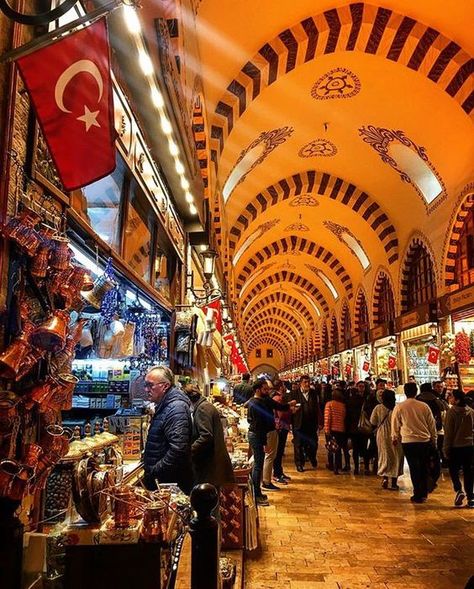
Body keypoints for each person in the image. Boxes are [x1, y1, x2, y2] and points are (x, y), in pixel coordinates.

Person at [143, 366, 193, 494]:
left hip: (169, 482)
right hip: (165, 480)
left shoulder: (176, 408)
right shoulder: (167, 406)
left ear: (165, 386)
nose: (146, 389)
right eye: (145, 385)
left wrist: (154, 471)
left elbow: (178, 449)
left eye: (150, 385)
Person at [246, 379, 296, 505]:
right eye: (265, 389)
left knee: (259, 463)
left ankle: (257, 492)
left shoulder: (264, 399)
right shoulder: (255, 403)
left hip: (261, 434)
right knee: (258, 465)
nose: (268, 391)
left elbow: (277, 406)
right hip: (257, 436)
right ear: (258, 390)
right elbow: (258, 426)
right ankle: (256, 494)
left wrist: (288, 405)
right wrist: (264, 443)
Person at [391, 382, 437, 503]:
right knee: (423, 466)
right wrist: (434, 439)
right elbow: (431, 425)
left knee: (414, 467)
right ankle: (424, 492)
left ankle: (417, 492)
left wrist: (394, 437)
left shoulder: (400, 407)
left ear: (405, 392)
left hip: (408, 441)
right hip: (424, 440)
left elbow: (395, 423)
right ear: (416, 391)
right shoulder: (424, 406)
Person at [184, 383, 235, 488]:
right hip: (213, 464)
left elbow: (206, 436)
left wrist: (189, 450)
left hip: (210, 464)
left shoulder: (202, 409)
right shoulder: (205, 406)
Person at [443, 389, 474, 508]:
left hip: (455, 446)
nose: (449, 398)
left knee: (453, 470)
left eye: (451, 397)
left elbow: (448, 433)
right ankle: (471, 498)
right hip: (469, 446)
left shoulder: (451, 412)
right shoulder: (471, 411)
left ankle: (459, 489)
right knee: (468, 472)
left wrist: (445, 448)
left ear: (457, 399)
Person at [370, 389, 403, 490]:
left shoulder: (378, 408)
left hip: (382, 435)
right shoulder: (397, 408)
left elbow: (373, 421)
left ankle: (384, 478)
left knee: (384, 455)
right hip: (396, 435)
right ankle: (394, 482)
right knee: (396, 457)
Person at [291, 375, 321, 472]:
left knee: (313, 444)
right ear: (300, 383)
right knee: (298, 445)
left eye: (308, 382)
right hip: (298, 424)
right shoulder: (294, 394)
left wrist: (319, 423)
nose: (307, 384)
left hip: (311, 424)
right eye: (305, 382)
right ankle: (299, 464)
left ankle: (312, 456)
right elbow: (290, 410)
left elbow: (317, 408)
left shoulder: (313, 393)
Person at [345, 381, 369, 474]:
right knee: (356, 449)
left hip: (361, 427)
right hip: (356, 427)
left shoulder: (367, 398)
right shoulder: (355, 399)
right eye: (360, 386)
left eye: (363, 386)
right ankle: (357, 467)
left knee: (363, 448)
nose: (361, 388)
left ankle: (365, 467)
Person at [271, 379, 292, 484]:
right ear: (280, 387)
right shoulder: (278, 399)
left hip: (281, 426)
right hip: (280, 427)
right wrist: (291, 410)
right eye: (283, 385)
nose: (285, 387)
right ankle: (276, 474)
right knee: (278, 452)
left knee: (280, 451)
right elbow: (281, 415)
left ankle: (279, 472)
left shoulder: (277, 398)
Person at [324, 388, 347, 475]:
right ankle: (338, 465)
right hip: (340, 429)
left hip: (332, 429)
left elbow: (327, 417)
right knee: (338, 448)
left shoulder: (329, 404)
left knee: (331, 448)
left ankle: (331, 465)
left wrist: (327, 429)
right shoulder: (342, 405)